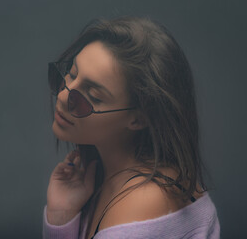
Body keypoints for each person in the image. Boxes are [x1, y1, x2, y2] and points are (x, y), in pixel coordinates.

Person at [42, 16, 220, 239]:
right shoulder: (110, 176)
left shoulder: (142, 204)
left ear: (138, 119)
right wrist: (62, 215)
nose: (62, 95)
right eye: (71, 74)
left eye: (93, 96)